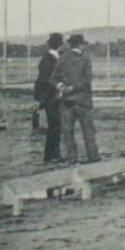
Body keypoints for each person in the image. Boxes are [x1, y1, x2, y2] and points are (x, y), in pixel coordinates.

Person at [53, 32, 100, 164]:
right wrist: (73, 88)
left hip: (66, 102)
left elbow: (53, 78)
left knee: (68, 133)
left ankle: (72, 159)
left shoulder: (62, 58)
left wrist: (61, 86)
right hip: (82, 101)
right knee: (88, 132)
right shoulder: (85, 59)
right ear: (80, 45)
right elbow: (87, 81)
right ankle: (93, 158)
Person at [33, 32, 64, 163]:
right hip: (50, 96)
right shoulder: (49, 60)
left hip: (50, 96)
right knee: (54, 125)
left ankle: (54, 154)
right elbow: (46, 79)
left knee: (55, 125)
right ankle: (51, 155)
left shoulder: (52, 58)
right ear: (60, 45)